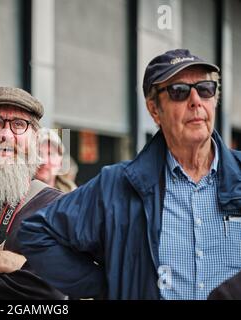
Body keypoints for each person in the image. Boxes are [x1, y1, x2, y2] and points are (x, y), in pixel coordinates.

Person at [18, 49, 241, 300]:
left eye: (205, 89)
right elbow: (37, 233)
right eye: (178, 91)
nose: (195, 101)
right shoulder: (116, 185)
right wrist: (110, 286)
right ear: (155, 109)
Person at [0, 87, 67, 299]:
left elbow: (51, 292)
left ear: (34, 139)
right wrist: (12, 263)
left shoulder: (57, 207)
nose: (5, 134)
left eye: (19, 125)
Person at [35, 128, 77, 193]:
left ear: (60, 162)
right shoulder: (17, 196)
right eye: (38, 153)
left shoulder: (72, 196)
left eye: (50, 154)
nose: (44, 160)